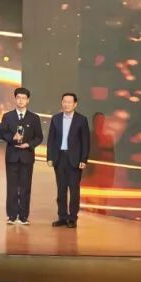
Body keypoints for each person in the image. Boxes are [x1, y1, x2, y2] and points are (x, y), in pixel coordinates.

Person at [0, 87, 43, 225]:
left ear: (28, 100)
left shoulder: (34, 118)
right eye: (18, 98)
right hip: (12, 156)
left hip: (27, 156)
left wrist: (29, 144)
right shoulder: (7, 116)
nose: (21, 100)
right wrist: (12, 137)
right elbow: (1, 133)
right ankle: (12, 216)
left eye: (24, 98)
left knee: (25, 187)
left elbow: (39, 137)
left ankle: (23, 216)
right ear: (15, 99)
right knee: (12, 187)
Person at [48, 92, 90, 229]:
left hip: (75, 160)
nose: (66, 104)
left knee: (74, 190)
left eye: (69, 102)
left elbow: (85, 141)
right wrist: (50, 157)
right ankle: (62, 217)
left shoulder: (81, 120)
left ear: (75, 104)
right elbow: (51, 140)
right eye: (64, 101)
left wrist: (84, 159)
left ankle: (72, 218)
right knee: (61, 190)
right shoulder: (55, 119)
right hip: (59, 158)